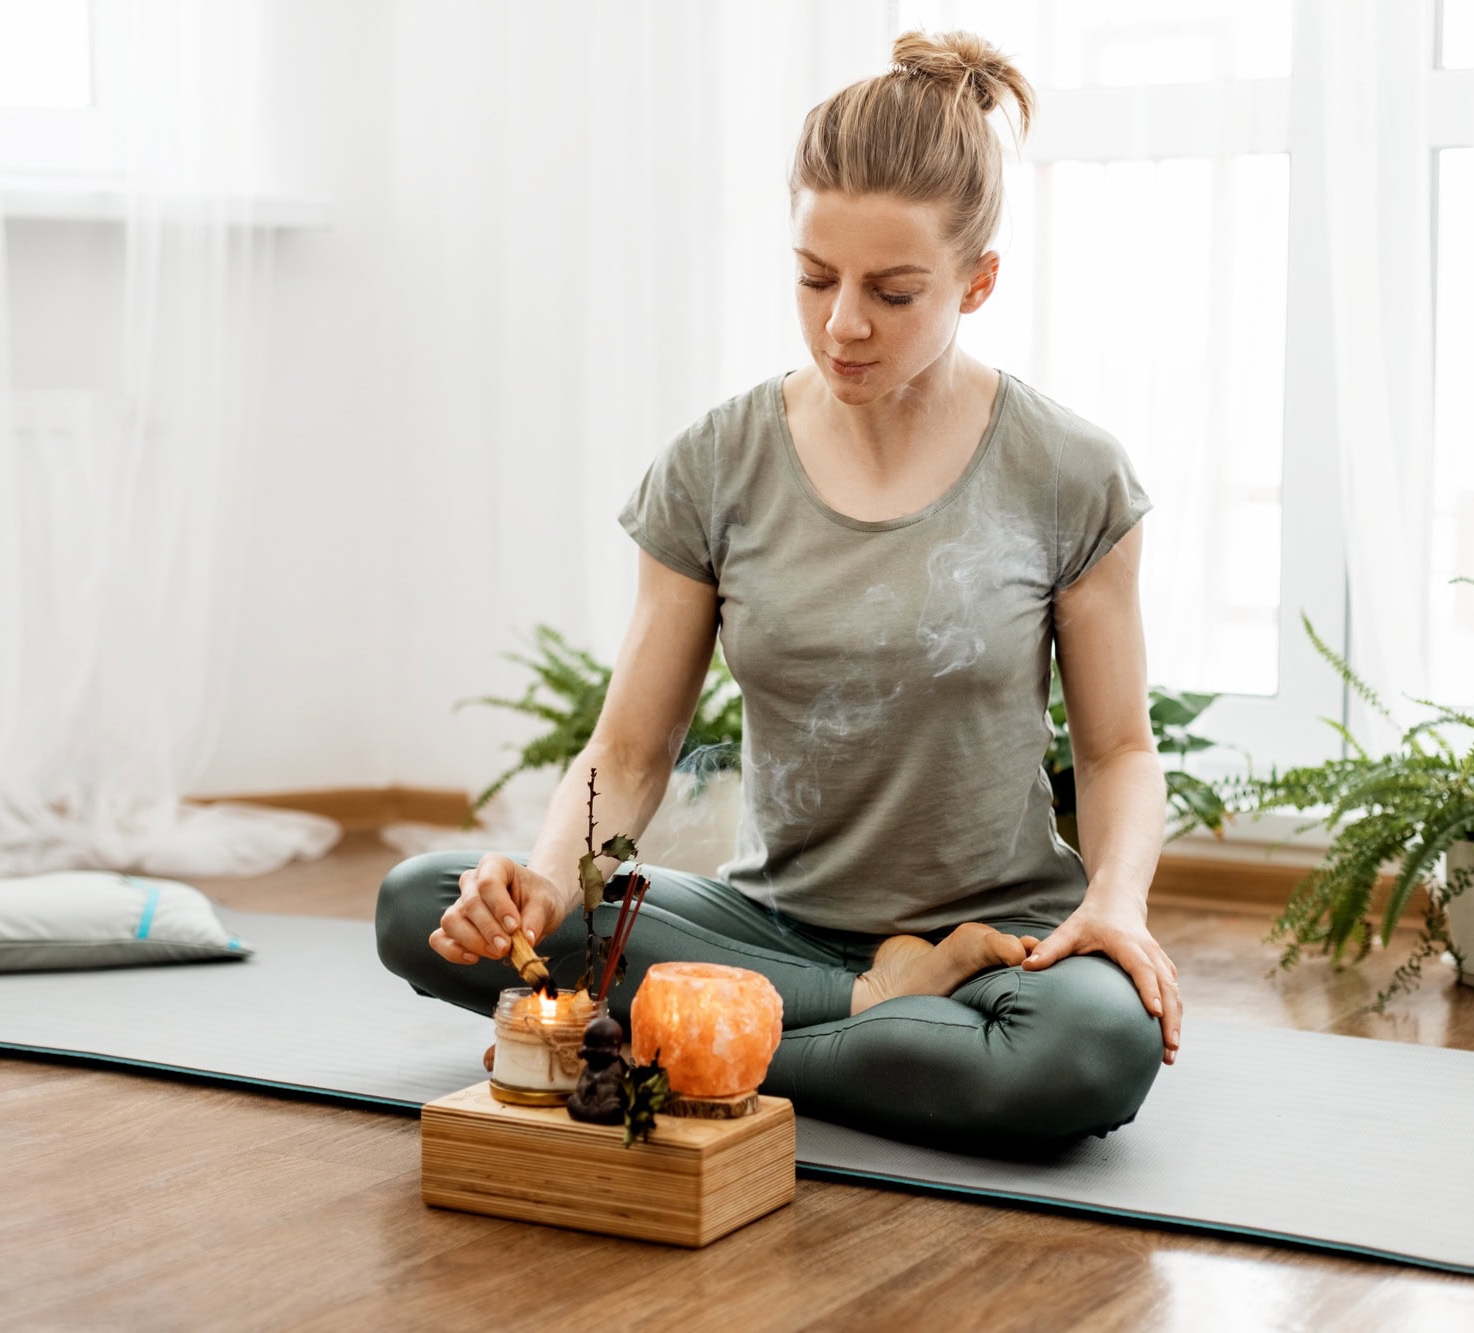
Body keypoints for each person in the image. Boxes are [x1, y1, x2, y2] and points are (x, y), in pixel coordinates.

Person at [377, 30, 1178, 1152]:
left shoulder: (1069, 473)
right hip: (763, 927)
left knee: (1087, 1047)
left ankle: (646, 1052)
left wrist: (1114, 907)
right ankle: (872, 1017)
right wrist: (549, 882)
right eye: (813, 278)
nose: (842, 322)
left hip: (995, 942)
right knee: (421, 907)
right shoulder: (716, 464)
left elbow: (1114, 753)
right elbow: (629, 749)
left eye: (893, 292)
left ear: (977, 281)